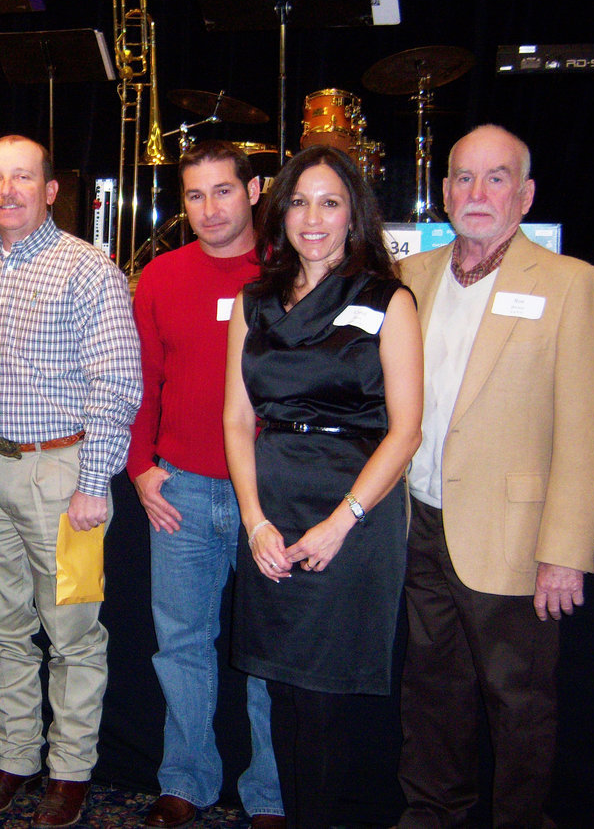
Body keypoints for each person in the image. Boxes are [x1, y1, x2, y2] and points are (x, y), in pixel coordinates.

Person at [395, 125, 594, 829]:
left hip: (516, 537)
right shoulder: (413, 277)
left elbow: (589, 429)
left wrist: (566, 549)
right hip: (420, 523)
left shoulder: (571, 283)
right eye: (464, 177)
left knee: (518, 703)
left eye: (496, 179)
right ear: (443, 192)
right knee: (431, 693)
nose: (478, 193)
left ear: (525, 195)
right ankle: (432, 815)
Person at [223, 145, 423, 829]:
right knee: (281, 691)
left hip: (352, 514)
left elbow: (406, 432)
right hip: (274, 510)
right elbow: (236, 417)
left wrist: (342, 522)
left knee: (325, 703)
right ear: (280, 213)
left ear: (355, 215)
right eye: (301, 201)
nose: (313, 217)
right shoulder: (254, 301)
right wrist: (254, 522)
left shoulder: (387, 300)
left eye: (330, 202)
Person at [0, 135, 142, 829]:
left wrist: (95, 483)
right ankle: (15, 757)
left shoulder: (89, 270)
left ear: (51, 188)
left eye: (22, 178)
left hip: (65, 475)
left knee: (73, 632)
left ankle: (70, 770)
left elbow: (116, 384)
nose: (7, 191)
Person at [128, 141, 284, 829]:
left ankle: (272, 796)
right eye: (194, 195)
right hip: (182, 492)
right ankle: (185, 782)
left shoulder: (288, 271)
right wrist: (141, 468)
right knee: (181, 645)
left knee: (267, 656)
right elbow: (142, 382)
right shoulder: (162, 276)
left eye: (223, 191)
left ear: (254, 191)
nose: (209, 208)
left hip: (268, 498)